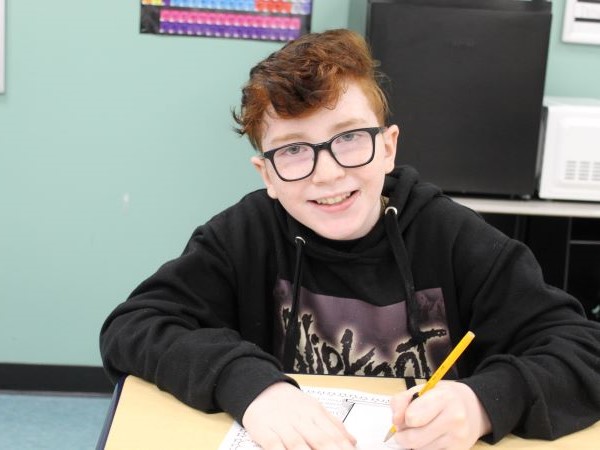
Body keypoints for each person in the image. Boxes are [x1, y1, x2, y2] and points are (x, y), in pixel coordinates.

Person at [100, 28, 600, 449]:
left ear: (388, 146)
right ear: (267, 176)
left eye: (349, 138)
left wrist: (483, 403)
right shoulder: (243, 235)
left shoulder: (455, 237)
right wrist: (249, 385)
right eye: (294, 150)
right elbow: (134, 325)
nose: (328, 173)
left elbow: (582, 349)